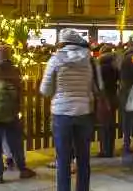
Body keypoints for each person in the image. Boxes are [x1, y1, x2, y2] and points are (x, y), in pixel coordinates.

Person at [39, 29, 95, 191]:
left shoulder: (55, 60)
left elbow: (45, 90)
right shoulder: (87, 59)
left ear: (61, 43)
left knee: (63, 160)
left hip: (62, 114)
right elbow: (90, 86)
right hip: (83, 112)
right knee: (83, 159)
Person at [0, 44, 38, 184]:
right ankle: (22, 169)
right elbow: (20, 93)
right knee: (16, 144)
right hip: (11, 115)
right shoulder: (16, 72)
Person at [95, 45, 120, 158]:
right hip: (113, 96)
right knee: (110, 125)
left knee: (104, 125)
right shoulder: (114, 67)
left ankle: (104, 150)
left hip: (104, 98)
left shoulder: (100, 67)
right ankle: (110, 149)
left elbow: (99, 85)